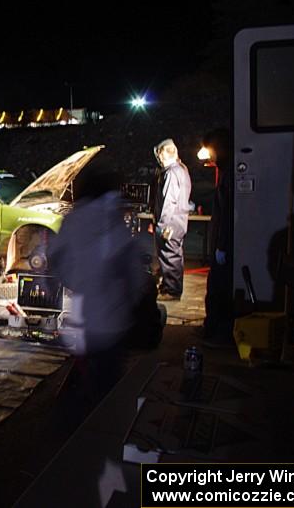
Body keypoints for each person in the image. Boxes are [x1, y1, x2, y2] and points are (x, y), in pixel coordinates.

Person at [49, 161, 144, 402]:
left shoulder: (72, 220)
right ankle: (102, 427)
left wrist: (76, 283)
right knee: (108, 384)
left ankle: (77, 422)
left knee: (85, 375)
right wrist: (132, 301)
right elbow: (132, 272)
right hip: (112, 319)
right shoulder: (113, 221)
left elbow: (56, 260)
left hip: (81, 316)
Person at [201, 128, 233, 343]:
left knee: (219, 290)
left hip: (225, 244)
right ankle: (213, 328)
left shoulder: (229, 174)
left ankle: (218, 332)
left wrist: (222, 245)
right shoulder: (225, 172)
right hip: (222, 243)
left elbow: (228, 213)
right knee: (215, 289)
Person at [151, 138, 192, 301]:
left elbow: (169, 201)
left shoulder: (171, 172)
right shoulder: (182, 169)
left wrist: (162, 225)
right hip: (179, 222)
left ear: (164, 153)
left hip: (170, 224)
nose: (159, 159)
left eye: (159, 155)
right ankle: (169, 286)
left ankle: (172, 290)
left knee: (170, 256)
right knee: (174, 255)